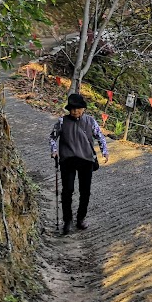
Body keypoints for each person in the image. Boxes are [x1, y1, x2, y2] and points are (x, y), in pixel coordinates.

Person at [50, 93, 109, 234]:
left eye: (78, 108)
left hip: (86, 160)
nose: (75, 111)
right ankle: (67, 220)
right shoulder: (62, 122)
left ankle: (81, 218)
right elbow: (52, 137)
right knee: (67, 190)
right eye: (72, 108)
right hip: (67, 159)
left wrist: (104, 151)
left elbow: (100, 136)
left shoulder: (90, 121)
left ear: (83, 109)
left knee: (85, 191)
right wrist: (54, 150)